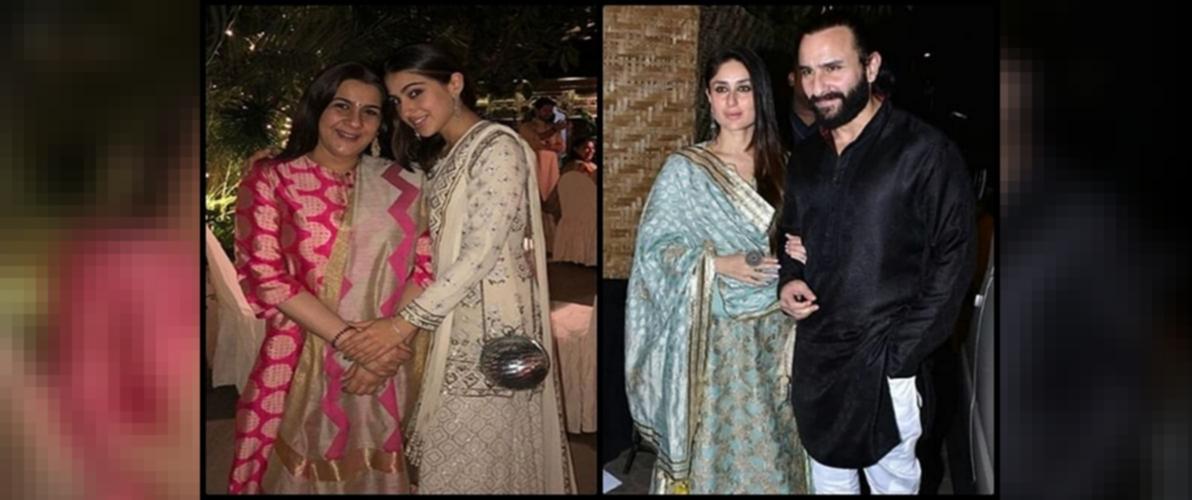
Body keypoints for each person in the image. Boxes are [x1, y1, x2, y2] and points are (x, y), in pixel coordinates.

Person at [336, 43, 576, 494]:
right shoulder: (447, 158)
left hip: (491, 342)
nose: (407, 111)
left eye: (416, 93)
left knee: (470, 470)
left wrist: (400, 326)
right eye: (397, 101)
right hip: (449, 330)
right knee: (458, 470)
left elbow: (480, 253)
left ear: (455, 83)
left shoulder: (497, 147)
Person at [775, 11, 976, 494]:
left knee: (894, 486)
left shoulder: (923, 152)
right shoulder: (806, 158)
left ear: (870, 66)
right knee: (828, 483)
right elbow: (790, 235)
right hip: (818, 360)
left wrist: (900, 355)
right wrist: (789, 278)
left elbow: (954, 259)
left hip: (885, 364)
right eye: (807, 72)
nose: (818, 86)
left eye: (832, 68)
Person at [228, 62, 430, 494]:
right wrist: (353, 344)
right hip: (296, 350)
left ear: (382, 123)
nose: (354, 121)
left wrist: (388, 344)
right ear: (317, 109)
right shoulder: (272, 177)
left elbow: (428, 268)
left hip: (390, 352)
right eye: (341, 106)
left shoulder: (405, 183)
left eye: (369, 112)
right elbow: (266, 275)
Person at [624, 46, 809, 494]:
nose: (732, 101)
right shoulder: (685, 171)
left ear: (760, 95)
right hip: (711, 343)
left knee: (774, 454)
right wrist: (716, 264)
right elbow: (652, 254)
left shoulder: (788, 166)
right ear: (708, 97)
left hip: (774, 337)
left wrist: (805, 252)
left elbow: (806, 241)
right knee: (714, 456)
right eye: (721, 89)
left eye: (743, 89)